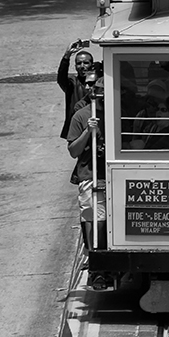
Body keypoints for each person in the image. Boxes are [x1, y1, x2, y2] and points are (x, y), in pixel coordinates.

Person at [66, 73, 107, 251]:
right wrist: (87, 132)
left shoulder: (117, 113)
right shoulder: (81, 116)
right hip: (90, 177)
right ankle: (94, 256)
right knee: (90, 215)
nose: (104, 96)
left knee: (107, 217)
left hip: (112, 174)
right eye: (101, 92)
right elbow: (73, 151)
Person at [57, 40, 95, 138]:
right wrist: (67, 55)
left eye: (86, 63)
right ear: (75, 67)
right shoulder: (72, 83)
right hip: (77, 128)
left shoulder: (99, 83)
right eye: (79, 63)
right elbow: (61, 78)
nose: (82, 66)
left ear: (92, 65)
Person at [130, 80, 169, 150]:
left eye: (157, 95)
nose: (153, 99)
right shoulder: (141, 116)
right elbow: (135, 137)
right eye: (151, 96)